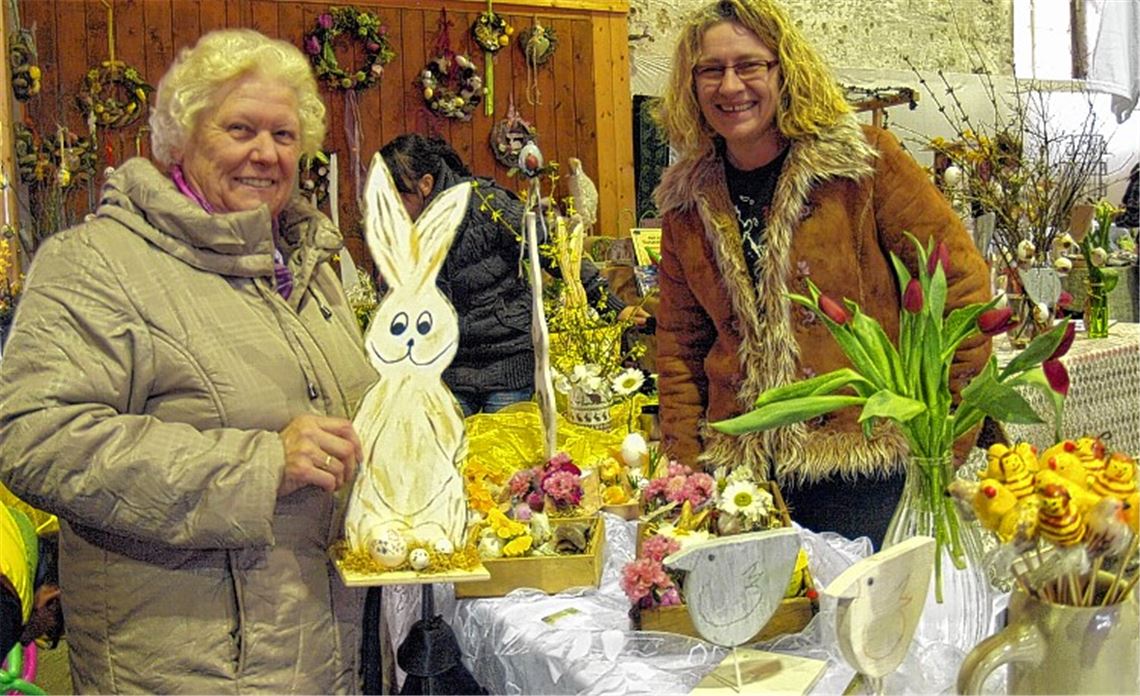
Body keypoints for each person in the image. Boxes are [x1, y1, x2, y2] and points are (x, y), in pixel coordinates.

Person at [0, 29, 377, 693]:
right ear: (181, 137)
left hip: (320, 644)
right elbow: (35, 438)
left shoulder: (308, 265)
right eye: (239, 129)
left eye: (284, 136)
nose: (265, 154)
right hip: (189, 666)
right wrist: (256, 465)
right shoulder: (98, 264)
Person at [652, 0, 992, 547]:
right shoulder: (685, 202)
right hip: (743, 478)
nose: (730, 85)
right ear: (691, 85)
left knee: (864, 628)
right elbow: (679, 349)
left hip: (865, 469)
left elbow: (963, 298)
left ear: (784, 69)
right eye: (711, 70)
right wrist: (686, 475)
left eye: (750, 65)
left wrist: (943, 446)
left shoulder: (862, 166)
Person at [378, 134, 649, 417]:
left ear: (425, 184)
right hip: (451, 368)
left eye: (397, 198)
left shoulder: (486, 202)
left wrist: (613, 306)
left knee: (507, 450)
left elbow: (556, 251)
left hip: (507, 360)